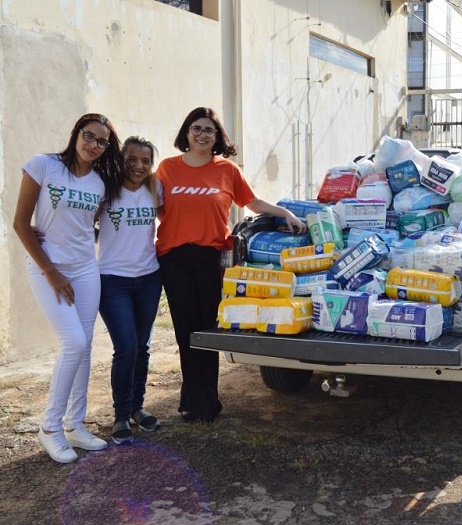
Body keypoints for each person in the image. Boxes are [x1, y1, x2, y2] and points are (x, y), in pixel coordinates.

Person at [156, 107, 306, 423]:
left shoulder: (227, 170)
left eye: (209, 130)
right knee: (185, 331)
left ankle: (208, 400)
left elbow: (251, 202)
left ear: (217, 137)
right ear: (186, 132)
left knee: (208, 329)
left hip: (212, 259)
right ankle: (189, 400)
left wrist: (285, 214)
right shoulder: (167, 169)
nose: (201, 135)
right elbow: (153, 206)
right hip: (175, 258)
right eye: (196, 128)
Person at [13, 113, 125, 463]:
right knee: (73, 341)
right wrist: (50, 269)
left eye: (101, 141)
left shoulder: (100, 183)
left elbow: (85, 225)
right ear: (76, 134)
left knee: (86, 344)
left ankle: (75, 424)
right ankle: (49, 428)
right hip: (49, 269)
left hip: (85, 268)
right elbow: (20, 223)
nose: (93, 145)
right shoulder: (43, 166)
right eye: (88, 136)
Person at [97, 136, 163, 444]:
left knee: (141, 347)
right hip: (113, 280)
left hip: (149, 278)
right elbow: (82, 221)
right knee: (125, 348)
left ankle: (138, 408)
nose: (138, 166)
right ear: (121, 160)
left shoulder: (155, 188)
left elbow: (170, 219)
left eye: (145, 160)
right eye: (131, 159)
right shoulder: (105, 188)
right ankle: (120, 415)